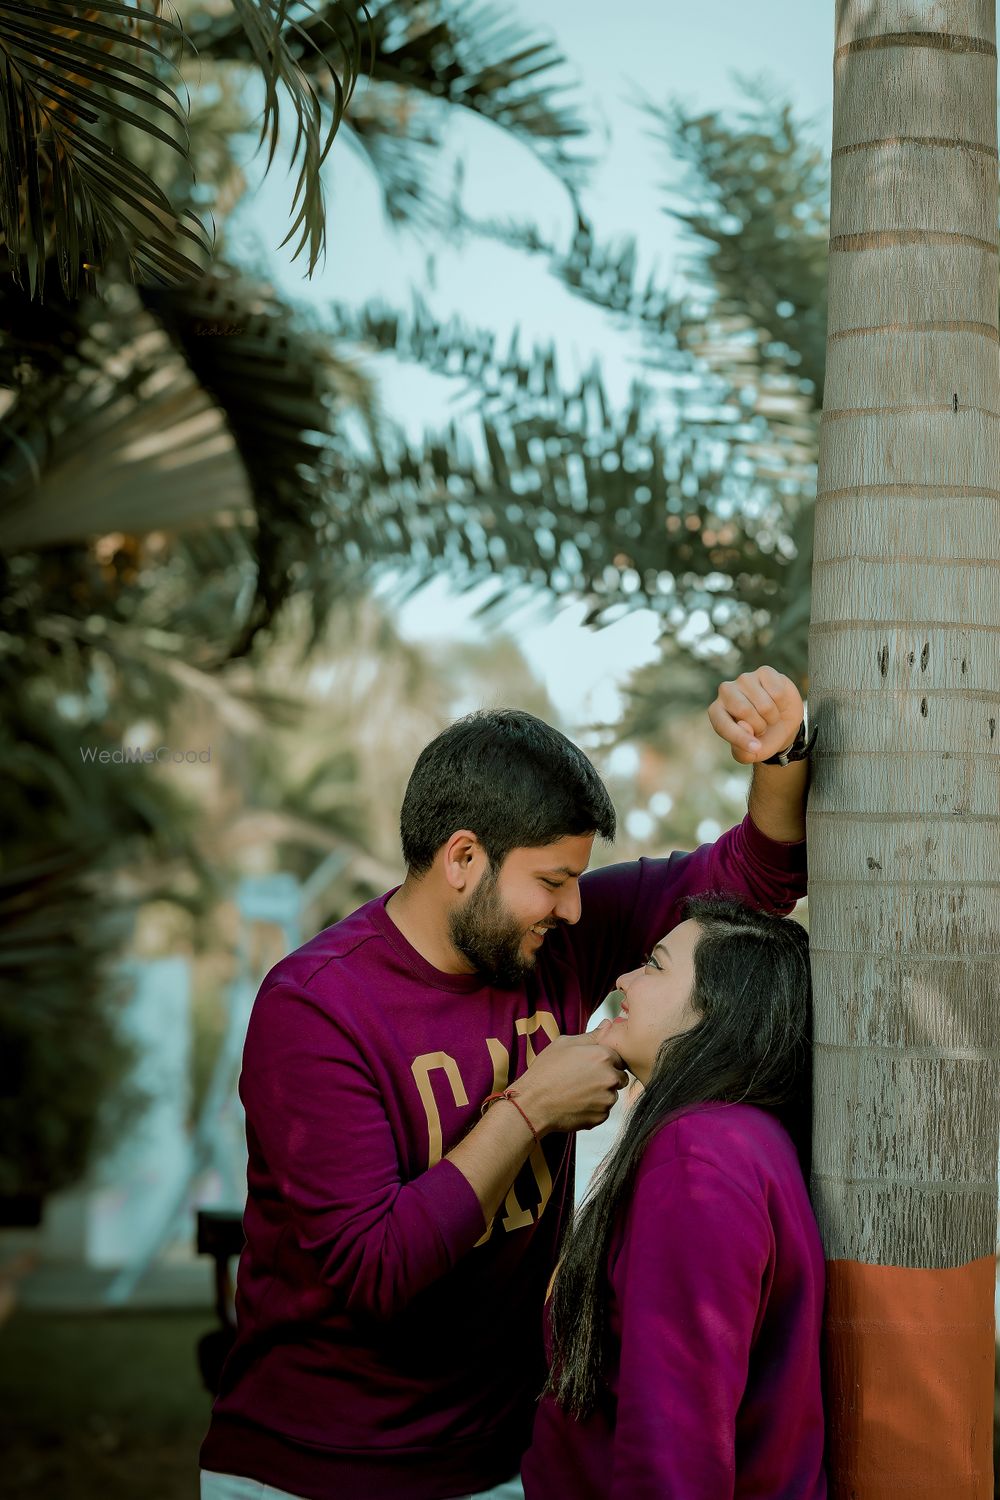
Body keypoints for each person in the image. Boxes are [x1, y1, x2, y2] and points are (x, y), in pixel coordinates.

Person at [199, 667, 813, 1500]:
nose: (571, 910)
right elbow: (376, 1270)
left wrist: (780, 753)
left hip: (499, 1462)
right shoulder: (315, 1009)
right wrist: (529, 1107)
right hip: (317, 1469)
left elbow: (755, 880)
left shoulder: (553, 943)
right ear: (462, 858)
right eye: (552, 881)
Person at [521, 897, 825, 1500]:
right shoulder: (743, 1135)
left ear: (715, 1012)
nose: (624, 980)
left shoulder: (696, 1162)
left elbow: (674, 1446)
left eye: (654, 966)